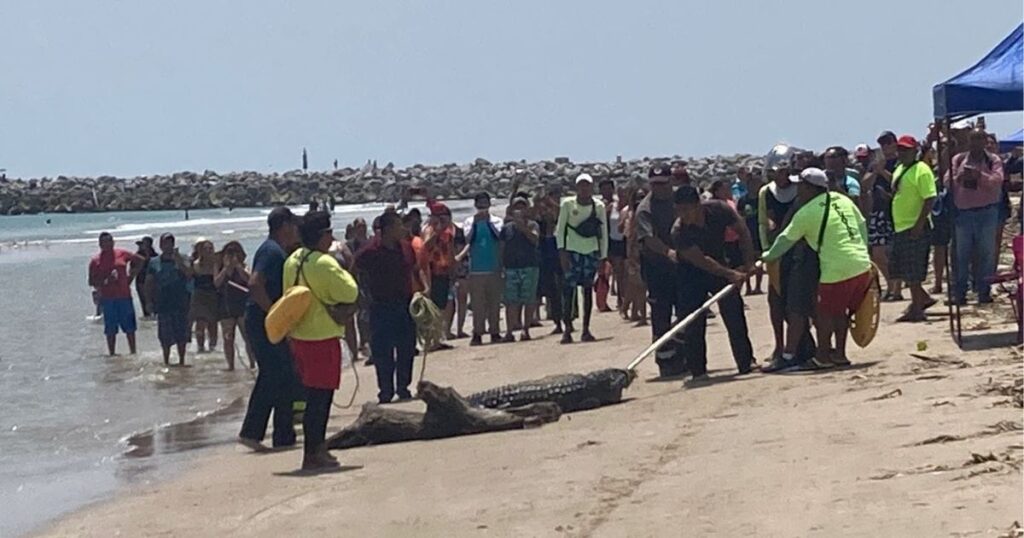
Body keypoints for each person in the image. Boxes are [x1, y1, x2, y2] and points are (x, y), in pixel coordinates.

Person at [762, 168, 872, 369]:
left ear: (809, 187)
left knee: (824, 314)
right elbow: (862, 225)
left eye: (800, 185)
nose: (798, 189)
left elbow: (784, 240)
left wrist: (766, 257)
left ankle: (822, 357)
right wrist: (863, 253)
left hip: (836, 270)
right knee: (841, 312)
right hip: (862, 265)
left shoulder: (807, 212)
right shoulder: (843, 200)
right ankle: (839, 354)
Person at [283, 211, 359, 470]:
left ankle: (314, 450)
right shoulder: (324, 263)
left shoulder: (292, 260)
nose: (331, 237)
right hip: (322, 335)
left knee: (312, 396)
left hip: (299, 334)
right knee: (321, 398)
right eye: (328, 233)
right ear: (320, 235)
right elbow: (350, 291)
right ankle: (314, 451)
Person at [667, 185, 756, 382]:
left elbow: (742, 230)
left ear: (697, 205)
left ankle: (745, 361)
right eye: (679, 210)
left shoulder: (719, 209)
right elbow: (700, 260)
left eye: (686, 209)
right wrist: (731, 274)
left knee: (734, 313)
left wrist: (748, 262)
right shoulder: (679, 231)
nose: (683, 214)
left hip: (719, 263)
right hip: (690, 272)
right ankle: (698, 370)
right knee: (693, 319)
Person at [239, 207, 301, 452]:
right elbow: (255, 284)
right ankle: (251, 432)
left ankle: (284, 435)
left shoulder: (277, 251)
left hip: (267, 320)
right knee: (273, 374)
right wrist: (276, 313)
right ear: (284, 226)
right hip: (262, 320)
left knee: (284, 374)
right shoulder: (271, 251)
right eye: (293, 225)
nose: (296, 229)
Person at [758, 145, 817, 371]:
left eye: (782, 171)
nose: (779, 176)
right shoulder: (767, 193)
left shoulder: (801, 191)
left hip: (800, 252)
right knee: (775, 301)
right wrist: (767, 253)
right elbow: (764, 224)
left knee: (799, 301)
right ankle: (780, 344)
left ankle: (801, 345)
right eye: (775, 172)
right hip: (776, 253)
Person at [355, 211, 418, 404]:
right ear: (388, 229)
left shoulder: (406, 248)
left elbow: (414, 270)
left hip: (405, 304)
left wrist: (421, 292)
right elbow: (352, 271)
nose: (403, 229)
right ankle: (385, 390)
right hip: (380, 306)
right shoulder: (369, 251)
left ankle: (403, 387)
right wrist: (359, 296)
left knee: (407, 347)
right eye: (399, 226)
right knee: (383, 352)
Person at [636, 165, 686, 376]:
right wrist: (668, 252)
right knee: (660, 314)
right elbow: (648, 239)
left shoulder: (680, 200)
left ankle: (686, 355)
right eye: (654, 184)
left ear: (671, 182)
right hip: (657, 268)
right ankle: (666, 362)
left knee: (686, 311)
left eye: (663, 184)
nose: (659, 188)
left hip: (683, 265)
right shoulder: (645, 209)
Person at [946, 128, 1004, 305]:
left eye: (980, 139)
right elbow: (947, 181)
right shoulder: (959, 159)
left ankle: (983, 292)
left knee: (986, 254)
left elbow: (998, 180)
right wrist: (961, 176)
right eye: (974, 139)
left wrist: (979, 176)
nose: (976, 143)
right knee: (961, 255)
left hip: (987, 213)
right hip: (963, 214)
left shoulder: (992, 159)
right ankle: (960, 293)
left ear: (985, 141)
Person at [555, 173, 608, 344]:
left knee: (587, 291)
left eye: (587, 185)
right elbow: (560, 229)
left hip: (590, 251)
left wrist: (603, 256)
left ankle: (586, 329)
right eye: (581, 185)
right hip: (572, 252)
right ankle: (567, 329)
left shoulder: (598, 206)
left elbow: (603, 233)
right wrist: (562, 252)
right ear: (577, 187)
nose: (584, 189)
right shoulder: (567, 204)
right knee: (568, 292)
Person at [890, 135, 937, 322]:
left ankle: (917, 309)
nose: (903, 153)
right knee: (903, 269)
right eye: (900, 149)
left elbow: (929, 198)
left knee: (915, 270)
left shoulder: (921, 170)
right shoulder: (899, 169)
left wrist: (919, 224)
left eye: (907, 149)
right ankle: (921, 300)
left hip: (915, 226)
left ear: (915, 151)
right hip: (900, 226)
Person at [459, 192, 504, 346]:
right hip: (476, 269)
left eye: (485, 203)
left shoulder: (497, 220)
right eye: (480, 203)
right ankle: (477, 333)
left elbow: (499, 236)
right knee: (477, 305)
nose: (483, 206)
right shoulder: (469, 221)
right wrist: (475, 224)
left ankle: (495, 332)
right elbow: (468, 239)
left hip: (494, 267)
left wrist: (489, 223)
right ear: (476, 205)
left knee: (494, 303)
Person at [856, 143, 899, 300]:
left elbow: (898, 183)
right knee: (877, 254)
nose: (863, 161)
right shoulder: (870, 169)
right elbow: (864, 186)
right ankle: (891, 285)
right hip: (878, 213)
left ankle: (896, 289)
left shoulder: (897, 163)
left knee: (892, 254)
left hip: (894, 212)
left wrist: (882, 170)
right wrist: (875, 171)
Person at [88, 232, 143, 355]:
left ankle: (133, 352)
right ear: (100, 244)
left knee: (130, 328)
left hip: (124, 296)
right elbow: (91, 281)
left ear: (113, 242)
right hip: (108, 298)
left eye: (110, 241)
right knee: (111, 330)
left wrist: (131, 276)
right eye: (104, 242)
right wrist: (106, 280)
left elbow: (140, 260)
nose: (107, 244)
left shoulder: (121, 254)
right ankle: (112, 354)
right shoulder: (95, 261)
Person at [144, 233, 193, 366]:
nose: (168, 246)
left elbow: (189, 275)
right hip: (163, 303)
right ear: (160, 245)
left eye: (170, 243)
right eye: (165, 243)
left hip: (181, 302)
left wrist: (178, 261)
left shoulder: (183, 258)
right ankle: (166, 361)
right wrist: (148, 301)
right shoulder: (154, 262)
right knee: (165, 337)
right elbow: (149, 283)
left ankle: (182, 360)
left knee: (182, 336)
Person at [501, 194, 542, 341]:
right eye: (516, 207)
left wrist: (523, 227)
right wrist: (501, 267)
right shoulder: (506, 228)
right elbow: (502, 248)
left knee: (529, 299)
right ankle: (509, 331)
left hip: (530, 266)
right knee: (510, 301)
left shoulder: (533, 225)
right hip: (511, 267)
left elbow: (535, 240)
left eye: (522, 206)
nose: (519, 209)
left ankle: (526, 329)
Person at [421, 202, 457, 350]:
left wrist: (453, 269)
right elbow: (426, 246)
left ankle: (437, 338)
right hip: (432, 272)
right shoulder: (429, 229)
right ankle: (431, 340)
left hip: (443, 271)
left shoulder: (448, 232)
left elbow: (450, 252)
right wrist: (437, 231)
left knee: (441, 307)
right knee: (433, 308)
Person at [215, 241, 253, 370]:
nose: (232, 256)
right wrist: (226, 269)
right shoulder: (219, 267)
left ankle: (252, 363)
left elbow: (249, 280)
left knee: (248, 337)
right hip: (226, 308)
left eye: (235, 253)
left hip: (242, 306)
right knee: (228, 338)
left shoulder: (244, 266)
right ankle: (230, 365)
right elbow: (217, 283)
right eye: (229, 253)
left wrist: (238, 267)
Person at [536, 186, 566, 334]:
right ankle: (557, 322)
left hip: (559, 256)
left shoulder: (560, 219)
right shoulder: (540, 224)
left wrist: (551, 203)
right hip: (546, 258)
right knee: (552, 291)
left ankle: (567, 320)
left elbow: (561, 212)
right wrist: (539, 201)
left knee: (564, 289)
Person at [619, 187, 649, 323]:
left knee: (637, 286)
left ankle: (630, 310)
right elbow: (629, 237)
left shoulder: (646, 213)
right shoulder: (632, 216)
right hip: (635, 254)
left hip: (645, 252)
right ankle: (640, 315)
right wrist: (630, 256)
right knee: (639, 286)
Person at [735, 167, 764, 295]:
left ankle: (758, 286)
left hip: (759, 232)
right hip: (747, 232)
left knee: (759, 260)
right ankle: (747, 286)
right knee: (747, 259)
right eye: (751, 183)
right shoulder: (743, 200)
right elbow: (739, 216)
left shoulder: (762, 199)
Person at [599, 178, 625, 314]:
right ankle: (602, 302)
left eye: (609, 188)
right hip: (604, 241)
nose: (606, 191)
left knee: (620, 272)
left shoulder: (616, 204)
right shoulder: (598, 205)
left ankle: (621, 299)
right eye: (603, 189)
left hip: (616, 240)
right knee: (604, 273)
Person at [189, 239, 220, 352]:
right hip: (199, 295)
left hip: (213, 295)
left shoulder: (217, 263)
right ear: (201, 251)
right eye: (205, 249)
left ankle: (213, 348)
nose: (208, 251)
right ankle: (200, 347)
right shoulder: (196, 263)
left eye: (210, 248)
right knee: (200, 323)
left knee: (213, 323)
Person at [709, 179, 743, 268]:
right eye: (723, 189)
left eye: (727, 189)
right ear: (716, 192)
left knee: (739, 264)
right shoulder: (713, 206)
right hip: (722, 241)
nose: (726, 191)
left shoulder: (730, 203)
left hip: (736, 239)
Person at [134, 236, 158, 319]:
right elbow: (133, 269)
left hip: (153, 281)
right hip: (140, 281)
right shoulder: (137, 256)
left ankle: (153, 318)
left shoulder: (155, 256)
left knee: (154, 301)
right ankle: (147, 317)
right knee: (143, 302)